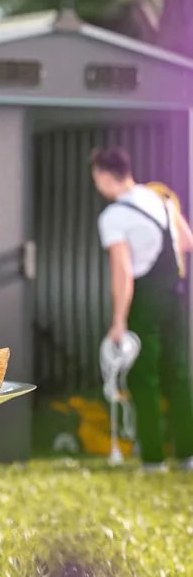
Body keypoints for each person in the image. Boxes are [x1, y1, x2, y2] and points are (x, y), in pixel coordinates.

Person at [90, 147, 193, 471]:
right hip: (175, 296)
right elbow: (187, 241)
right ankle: (188, 454)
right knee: (178, 373)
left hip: (144, 299)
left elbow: (123, 273)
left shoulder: (113, 216)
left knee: (143, 376)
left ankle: (153, 459)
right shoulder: (160, 200)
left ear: (105, 176)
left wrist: (119, 321)